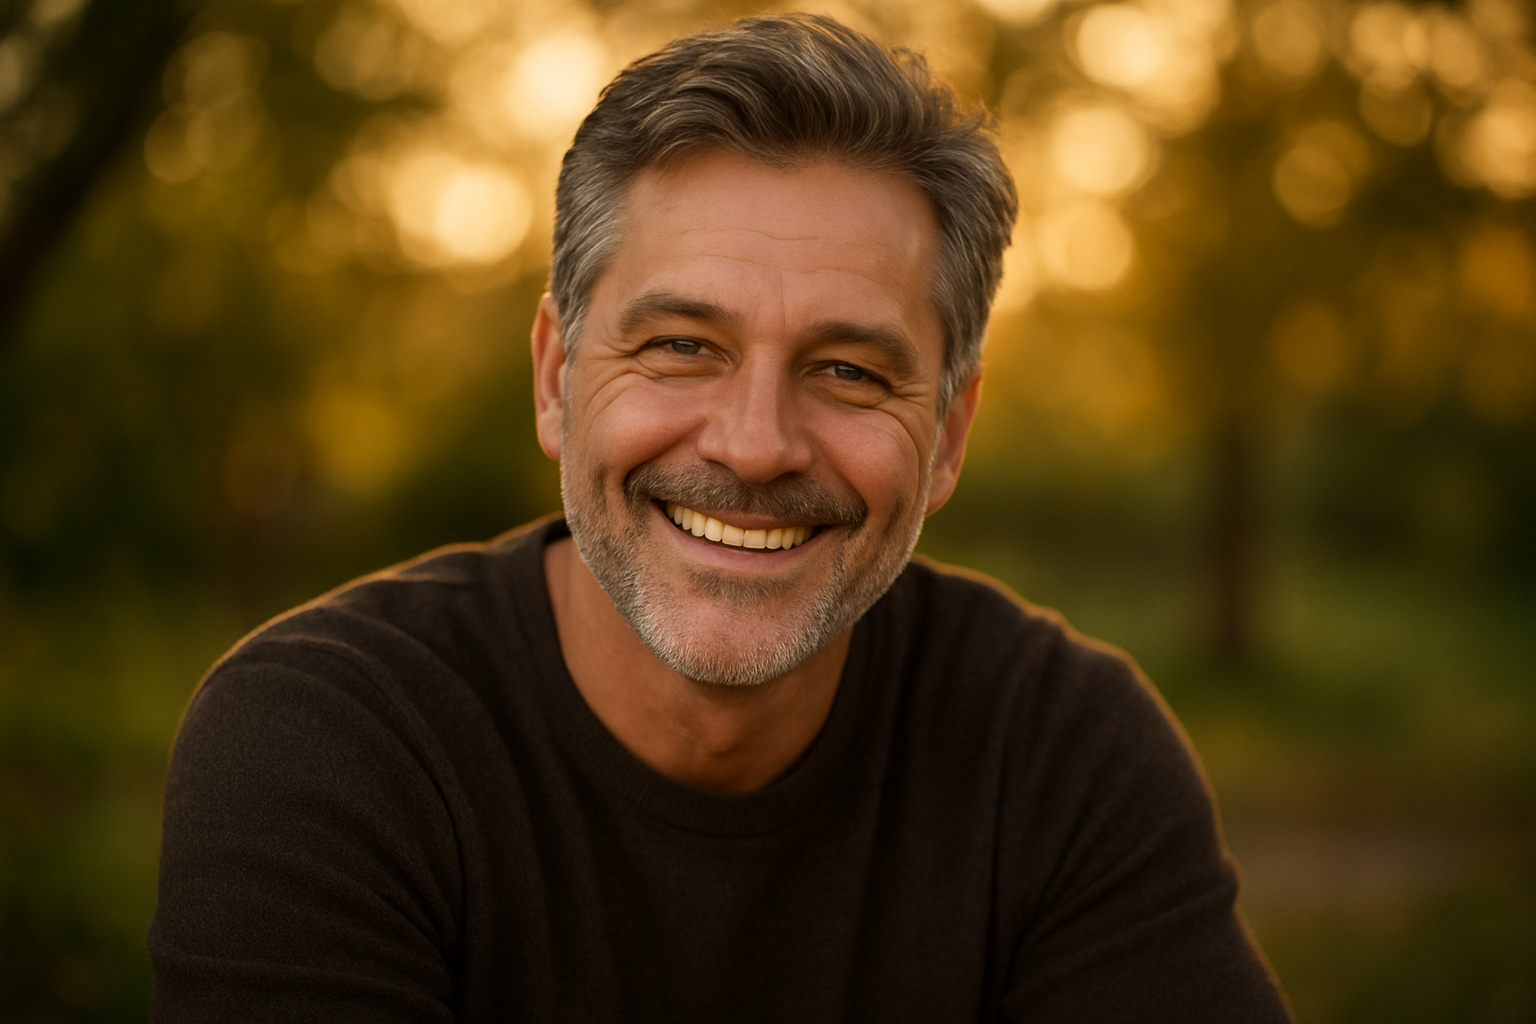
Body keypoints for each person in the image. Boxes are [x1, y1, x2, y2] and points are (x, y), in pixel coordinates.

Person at [149, 13, 1291, 1022]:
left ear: (947, 434)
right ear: (555, 378)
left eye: (848, 371)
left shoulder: (1058, 755)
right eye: (682, 346)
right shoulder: (327, 741)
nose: (753, 444)